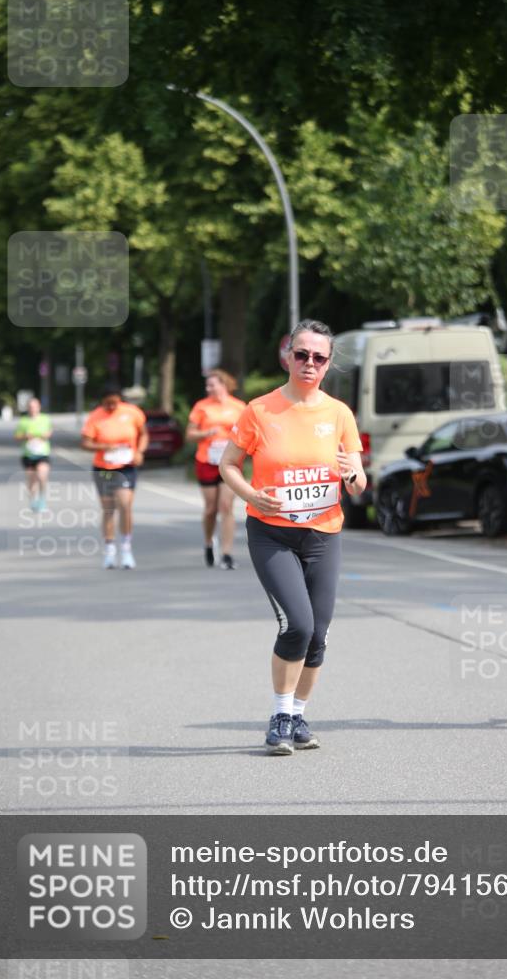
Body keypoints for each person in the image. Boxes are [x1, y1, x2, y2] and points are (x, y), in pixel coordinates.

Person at [220, 319, 366, 754]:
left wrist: (354, 475)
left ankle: (299, 716)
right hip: (272, 534)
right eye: (301, 354)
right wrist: (251, 495)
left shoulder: (339, 413)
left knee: (319, 633)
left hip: (323, 534)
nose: (309, 363)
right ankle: (280, 715)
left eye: (319, 357)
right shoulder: (259, 410)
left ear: (328, 364)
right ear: (287, 356)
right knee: (297, 625)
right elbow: (228, 465)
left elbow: (358, 481)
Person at [81, 385, 148, 570]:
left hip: (126, 466)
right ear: (102, 402)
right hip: (103, 467)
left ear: (120, 400)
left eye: (114, 403)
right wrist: (102, 447)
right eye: (107, 404)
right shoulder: (95, 416)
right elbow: (85, 443)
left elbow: (143, 434)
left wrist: (140, 452)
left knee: (125, 505)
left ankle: (126, 549)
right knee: (108, 509)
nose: (111, 407)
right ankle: (110, 549)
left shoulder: (132, 413)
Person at [187, 370, 246, 570]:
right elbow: (190, 434)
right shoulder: (201, 407)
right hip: (207, 460)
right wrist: (205, 433)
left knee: (226, 506)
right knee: (211, 508)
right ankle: (209, 542)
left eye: (212, 385)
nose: (208, 389)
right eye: (207, 386)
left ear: (224, 385)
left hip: (230, 461)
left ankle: (227, 554)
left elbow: (248, 432)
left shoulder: (239, 407)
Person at [14, 397, 52, 511]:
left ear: (39, 407)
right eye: (30, 407)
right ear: (28, 408)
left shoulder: (45, 418)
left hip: (42, 453)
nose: (33, 409)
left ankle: (42, 499)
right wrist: (25, 436)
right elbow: (16, 436)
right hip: (28, 454)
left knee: (42, 476)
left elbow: (50, 431)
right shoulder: (23, 420)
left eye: (35, 406)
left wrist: (46, 435)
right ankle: (33, 500)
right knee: (31, 480)